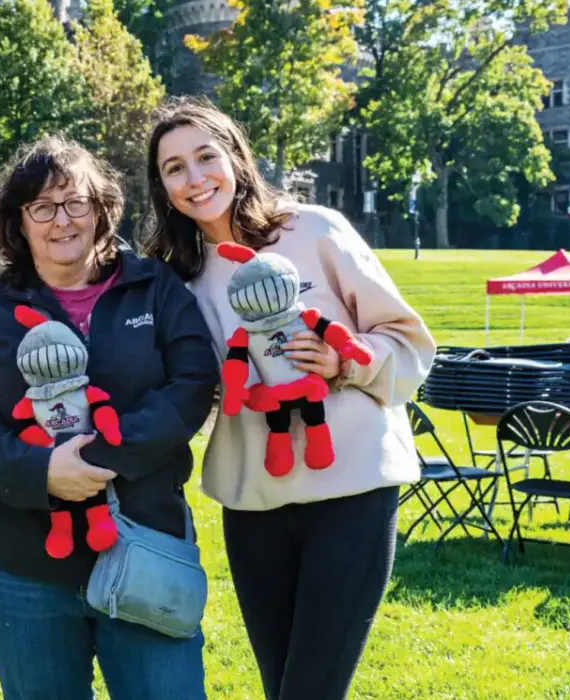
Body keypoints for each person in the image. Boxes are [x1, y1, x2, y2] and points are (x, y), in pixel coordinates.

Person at [140, 97, 437, 700]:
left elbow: (408, 344)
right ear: (162, 187)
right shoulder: (176, 277)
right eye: (174, 168)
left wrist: (342, 361)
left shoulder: (314, 230)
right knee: (281, 685)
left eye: (205, 157)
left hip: (351, 490)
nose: (195, 179)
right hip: (255, 503)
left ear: (236, 159)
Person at [0, 135, 219, 700]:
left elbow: (191, 384)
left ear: (102, 209)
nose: (61, 220)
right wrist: (41, 472)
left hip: (145, 545)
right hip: (21, 563)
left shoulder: (152, 287)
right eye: (42, 207)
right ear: (19, 221)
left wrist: (100, 457)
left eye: (76, 202)